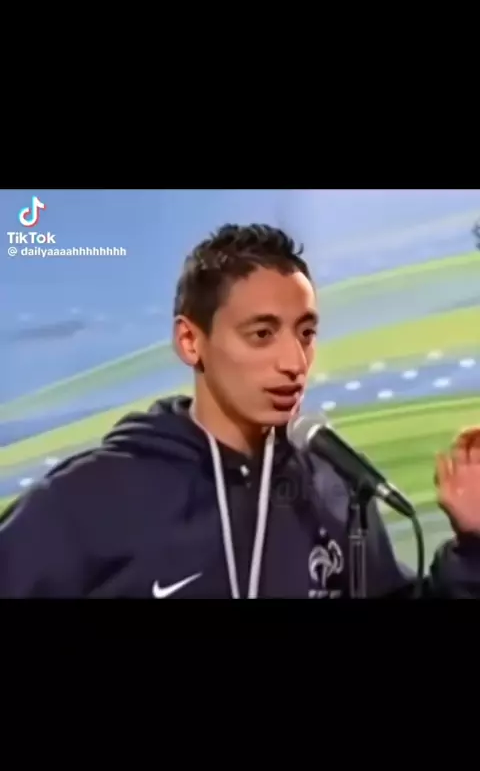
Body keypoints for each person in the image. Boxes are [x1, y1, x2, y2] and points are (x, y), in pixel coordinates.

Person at [0, 223, 479, 598]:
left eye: (306, 333)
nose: (294, 362)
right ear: (191, 341)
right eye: (262, 334)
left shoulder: (336, 487)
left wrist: (472, 547)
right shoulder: (93, 496)